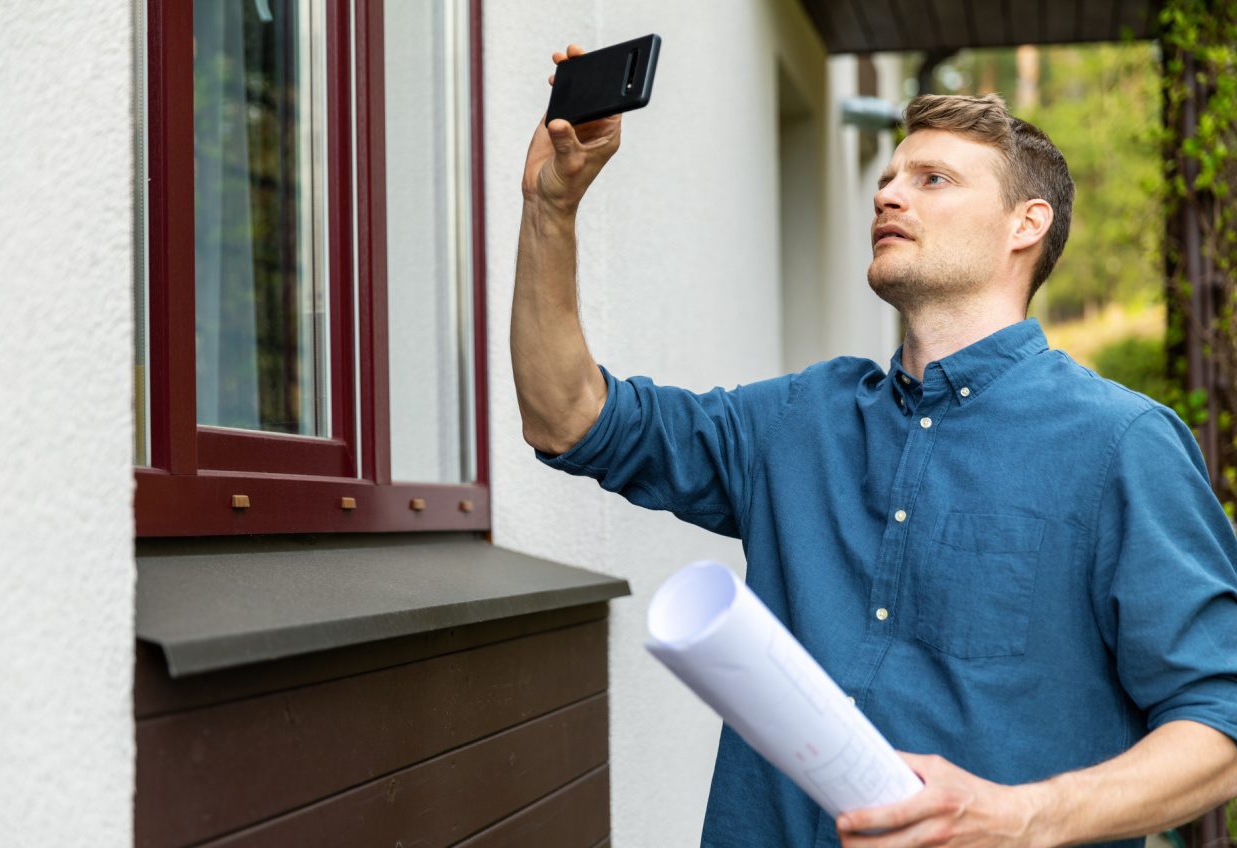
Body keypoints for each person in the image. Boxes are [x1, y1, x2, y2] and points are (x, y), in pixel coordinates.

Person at [512, 44, 1237, 848]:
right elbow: (568, 417)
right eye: (889, 178)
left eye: (933, 179)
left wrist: (1022, 816)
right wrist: (551, 210)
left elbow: (1220, 725)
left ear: (1024, 226)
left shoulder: (1122, 444)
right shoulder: (797, 419)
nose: (889, 194)